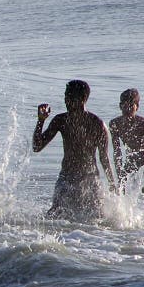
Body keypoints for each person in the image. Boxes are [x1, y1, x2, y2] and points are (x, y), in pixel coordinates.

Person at [33, 79, 116, 220]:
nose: (66, 101)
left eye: (70, 98)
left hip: (90, 180)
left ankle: (94, 241)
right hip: (66, 178)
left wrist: (112, 184)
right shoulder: (61, 120)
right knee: (54, 217)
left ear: (83, 99)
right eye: (66, 97)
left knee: (98, 219)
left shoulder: (97, 124)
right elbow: (37, 147)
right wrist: (41, 120)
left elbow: (104, 157)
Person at [109, 88, 144, 196]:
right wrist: (119, 172)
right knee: (122, 192)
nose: (128, 109)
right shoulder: (115, 124)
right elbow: (117, 151)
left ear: (137, 107)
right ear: (120, 106)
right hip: (130, 163)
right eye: (125, 106)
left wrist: (141, 170)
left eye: (131, 106)